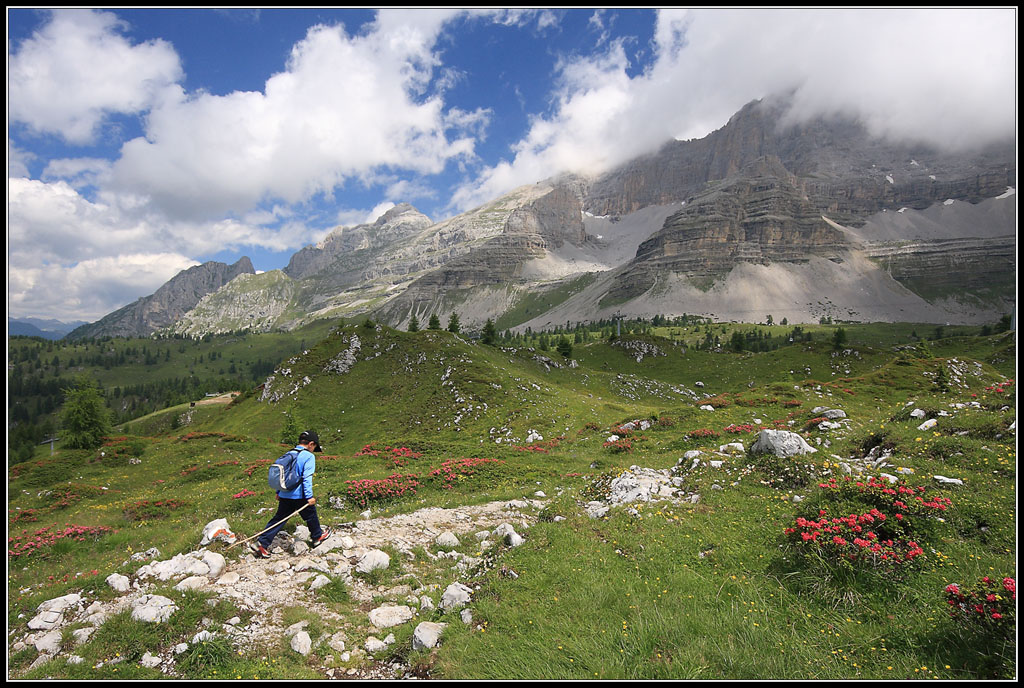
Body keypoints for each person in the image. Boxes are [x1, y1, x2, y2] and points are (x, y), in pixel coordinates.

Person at [251, 429, 332, 558]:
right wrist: (309, 496)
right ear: (311, 444)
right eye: (314, 447)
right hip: (299, 495)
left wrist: (279, 491)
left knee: (278, 519)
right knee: (310, 515)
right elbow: (307, 478)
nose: (313, 449)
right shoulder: (308, 456)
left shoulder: (289, 453)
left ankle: (261, 543)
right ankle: (317, 537)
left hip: (285, 494)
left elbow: (282, 475)